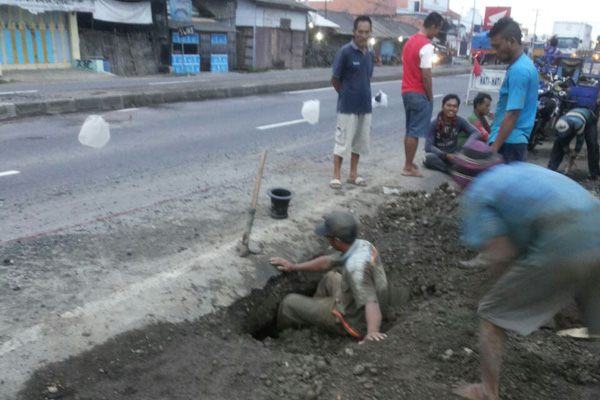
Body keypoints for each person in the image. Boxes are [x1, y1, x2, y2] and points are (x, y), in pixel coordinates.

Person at [450, 142, 600, 400]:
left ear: (463, 180)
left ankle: (487, 391)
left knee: (492, 315)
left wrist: (496, 293)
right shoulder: (518, 170)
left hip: (563, 238)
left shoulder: (477, 192)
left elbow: (503, 255)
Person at [271, 211, 389, 343]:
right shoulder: (362, 245)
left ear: (337, 241)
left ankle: (282, 338)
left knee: (289, 303)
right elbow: (327, 262)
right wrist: (293, 266)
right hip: (354, 302)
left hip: (352, 320)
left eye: (328, 236)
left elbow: (371, 302)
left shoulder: (356, 268)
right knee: (330, 278)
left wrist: (372, 332)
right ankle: (312, 319)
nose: (326, 238)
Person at [330, 15, 375, 189]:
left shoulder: (370, 53)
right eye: (360, 32)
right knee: (342, 142)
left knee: (359, 142)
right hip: (347, 107)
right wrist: (345, 94)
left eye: (366, 32)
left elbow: (367, 76)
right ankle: (336, 176)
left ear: (370, 32)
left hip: (365, 106)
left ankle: (353, 174)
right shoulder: (345, 52)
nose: (363, 35)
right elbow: (335, 78)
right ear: (354, 32)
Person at [487, 17, 538, 163]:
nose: (495, 52)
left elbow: (513, 114)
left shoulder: (519, 71)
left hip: (508, 143)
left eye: (497, 46)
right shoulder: (523, 65)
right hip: (511, 141)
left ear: (512, 41)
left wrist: (494, 149)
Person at [401, 11, 444, 177]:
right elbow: (426, 74)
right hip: (419, 92)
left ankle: (409, 162)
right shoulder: (426, 45)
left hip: (406, 91)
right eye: (437, 30)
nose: (436, 34)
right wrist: (430, 95)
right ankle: (407, 167)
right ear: (432, 27)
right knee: (415, 132)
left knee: (409, 129)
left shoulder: (409, 42)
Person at [424, 94, 481, 173]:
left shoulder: (459, 120)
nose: (451, 109)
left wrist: (465, 147)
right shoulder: (433, 123)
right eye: (448, 105)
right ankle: (451, 171)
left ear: (457, 109)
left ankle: (459, 167)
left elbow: (476, 132)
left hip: (455, 153)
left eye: (455, 106)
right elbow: (428, 147)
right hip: (440, 155)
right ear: (442, 107)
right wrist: (445, 155)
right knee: (429, 159)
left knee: (477, 148)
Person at [548, 108, 600, 179]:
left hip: (589, 119)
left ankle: (595, 173)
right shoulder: (559, 125)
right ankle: (551, 169)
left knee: (592, 144)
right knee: (558, 143)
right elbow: (562, 140)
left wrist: (574, 154)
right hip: (571, 120)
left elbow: (580, 141)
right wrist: (566, 151)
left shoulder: (578, 124)